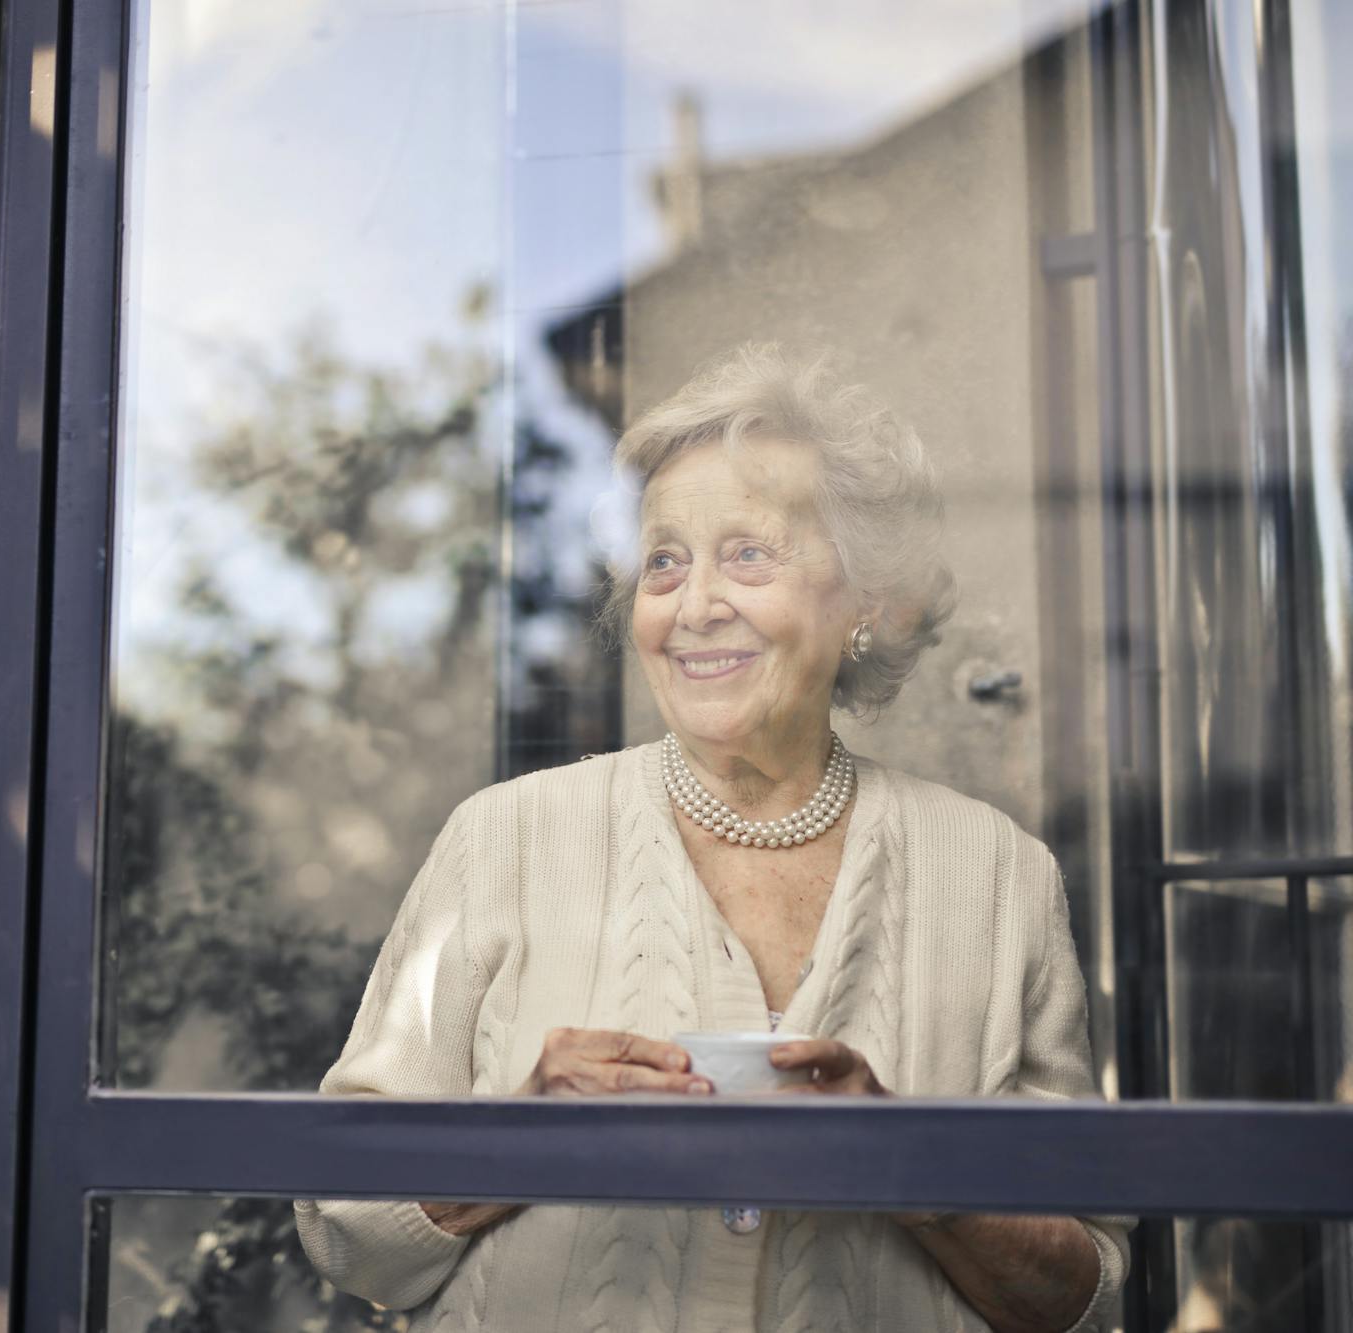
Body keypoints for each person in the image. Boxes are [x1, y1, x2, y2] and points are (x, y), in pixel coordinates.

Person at [294, 345, 1130, 1331]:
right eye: (664, 561)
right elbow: (343, 1225)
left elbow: (1083, 1293)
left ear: (864, 601)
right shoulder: (503, 840)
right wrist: (524, 1129)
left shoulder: (998, 879)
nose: (694, 607)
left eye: (747, 554)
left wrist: (909, 1165)